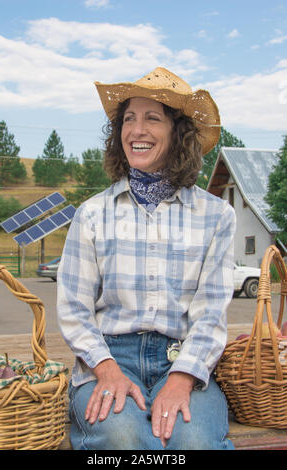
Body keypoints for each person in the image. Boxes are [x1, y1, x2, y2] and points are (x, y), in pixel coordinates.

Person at [57, 67, 236, 450]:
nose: (136, 130)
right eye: (128, 119)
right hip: (109, 357)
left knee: (194, 441)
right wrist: (106, 370)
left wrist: (183, 377)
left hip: (183, 359)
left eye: (152, 118)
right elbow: (74, 308)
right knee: (122, 438)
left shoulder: (216, 216)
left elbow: (210, 314)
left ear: (179, 134)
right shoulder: (92, 214)